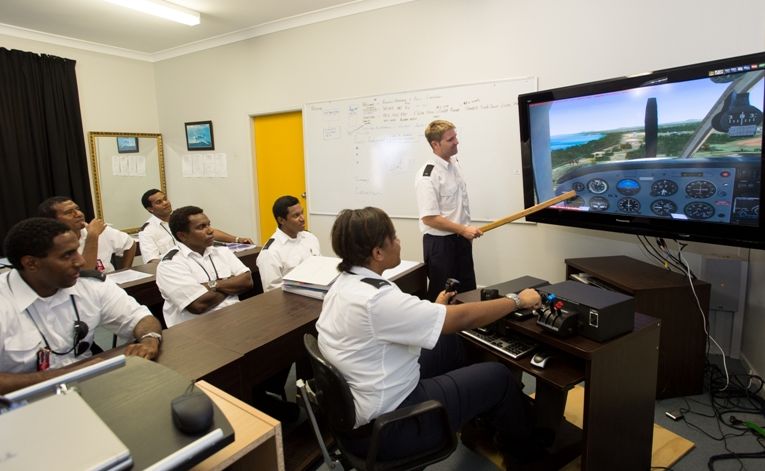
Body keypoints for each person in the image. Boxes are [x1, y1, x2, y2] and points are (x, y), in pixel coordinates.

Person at [316, 207, 546, 462]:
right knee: (499, 377)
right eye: (394, 237)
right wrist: (517, 301)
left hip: (365, 406)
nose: (399, 242)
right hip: (392, 425)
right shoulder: (376, 299)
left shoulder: (343, 285)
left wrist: (435, 309)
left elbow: (391, 322)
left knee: (449, 342)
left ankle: (482, 413)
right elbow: (463, 318)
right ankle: (524, 456)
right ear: (377, 253)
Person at [0, 218, 162, 394]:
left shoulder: (89, 284)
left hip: (87, 387)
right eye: (67, 255)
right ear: (31, 263)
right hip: (23, 400)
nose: (81, 261)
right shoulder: (4, 301)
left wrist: (150, 339)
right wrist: (67, 375)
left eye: (77, 250)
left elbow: (140, 318)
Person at [415, 120, 483, 301]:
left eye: (455, 136)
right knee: (444, 297)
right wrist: (463, 230)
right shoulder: (428, 175)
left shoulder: (454, 164)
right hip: (441, 245)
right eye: (450, 139)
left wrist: (464, 233)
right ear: (435, 144)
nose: (456, 142)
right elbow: (429, 218)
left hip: (461, 239)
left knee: (467, 293)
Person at [155, 205, 254, 328]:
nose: (210, 230)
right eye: (201, 227)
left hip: (234, 316)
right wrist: (231, 285)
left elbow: (247, 281)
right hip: (197, 329)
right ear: (182, 236)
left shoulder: (221, 250)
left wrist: (212, 285)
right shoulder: (170, 264)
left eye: (208, 224)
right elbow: (198, 305)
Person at [138, 189, 253, 263]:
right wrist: (178, 264)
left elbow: (207, 231)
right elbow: (152, 261)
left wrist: (237, 239)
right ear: (150, 209)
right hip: (178, 268)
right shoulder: (147, 231)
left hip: (201, 260)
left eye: (165, 199)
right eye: (159, 202)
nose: (165, 203)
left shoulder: (180, 217)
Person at [38, 196, 136, 273]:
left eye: (77, 209)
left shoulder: (100, 230)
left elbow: (129, 243)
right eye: (69, 212)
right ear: (53, 221)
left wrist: (124, 271)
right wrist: (93, 236)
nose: (78, 214)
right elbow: (85, 275)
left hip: (109, 283)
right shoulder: (51, 245)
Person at [256, 195, 321, 291]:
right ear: (281, 220)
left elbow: (320, 267)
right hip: (292, 298)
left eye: (302, 213)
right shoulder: (270, 252)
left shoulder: (310, 237)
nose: (302, 219)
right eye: (296, 216)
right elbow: (272, 291)